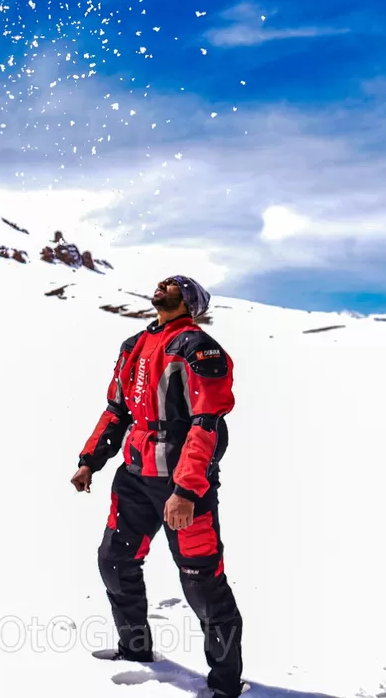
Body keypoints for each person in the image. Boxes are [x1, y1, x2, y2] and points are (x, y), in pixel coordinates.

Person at [71, 275, 244, 698]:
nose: (164, 285)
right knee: (114, 561)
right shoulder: (133, 345)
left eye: (176, 285)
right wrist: (89, 460)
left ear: (191, 302)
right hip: (133, 475)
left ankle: (224, 684)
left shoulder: (198, 347)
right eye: (162, 281)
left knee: (201, 581)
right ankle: (135, 652)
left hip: (183, 483)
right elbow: (117, 409)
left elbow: (207, 423)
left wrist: (185, 490)